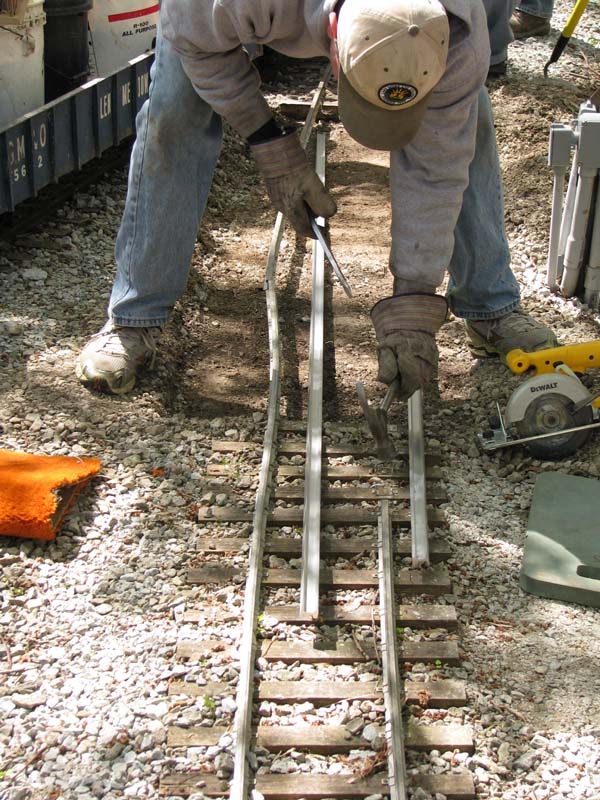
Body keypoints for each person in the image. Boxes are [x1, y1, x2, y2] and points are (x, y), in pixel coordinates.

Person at [76, 0, 557, 401]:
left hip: (414, 40)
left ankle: (488, 303)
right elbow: (197, 45)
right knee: (174, 110)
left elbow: (439, 165)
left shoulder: (459, 29)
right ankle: (135, 316)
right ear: (332, 44)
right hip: (223, 17)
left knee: (469, 126)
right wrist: (272, 147)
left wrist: (412, 300)